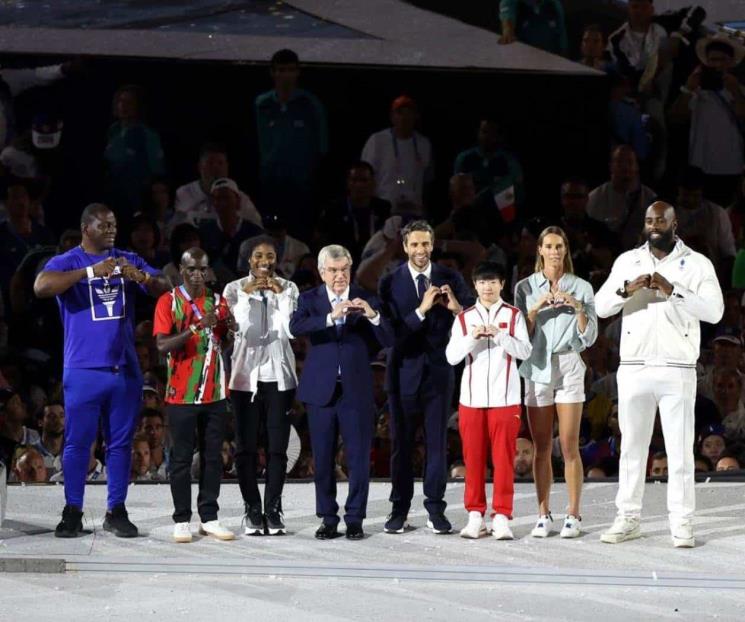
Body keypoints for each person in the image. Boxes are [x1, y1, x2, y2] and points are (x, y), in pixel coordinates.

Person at [34, 202, 168, 538]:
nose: (111, 230)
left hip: (124, 368)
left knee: (120, 444)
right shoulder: (69, 261)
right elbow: (41, 286)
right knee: (78, 443)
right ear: (86, 228)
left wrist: (142, 277)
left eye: (113, 225)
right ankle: (72, 511)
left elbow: (165, 287)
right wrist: (91, 273)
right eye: (104, 225)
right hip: (83, 369)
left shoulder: (128, 259)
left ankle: (116, 510)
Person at [595, 201, 724, 547]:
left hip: (676, 368)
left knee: (680, 451)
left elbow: (714, 311)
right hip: (634, 367)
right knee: (631, 449)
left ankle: (682, 523)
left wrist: (674, 291)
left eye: (661, 220)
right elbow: (600, 306)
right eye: (649, 220)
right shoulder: (628, 260)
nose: (654, 226)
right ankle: (628, 519)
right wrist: (626, 289)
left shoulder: (696, 263)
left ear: (674, 223)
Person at [289, 244, 391, 540]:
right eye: (333, 270)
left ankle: (355, 518)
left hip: (356, 392)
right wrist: (330, 317)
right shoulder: (310, 299)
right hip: (321, 392)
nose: (339, 276)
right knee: (322, 459)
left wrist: (372, 315)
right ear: (322, 272)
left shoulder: (367, 298)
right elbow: (295, 327)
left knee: (358, 458)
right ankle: (329, 518)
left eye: (344, 269)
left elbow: (388, 338)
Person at [379, 220, 474, 534]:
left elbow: (473, 321)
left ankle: (436, 510)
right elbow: (390, 335)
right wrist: (420, 311)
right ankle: (399, 510)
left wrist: (457, 308)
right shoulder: (390, 282)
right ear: (405, 246)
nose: (420, 250)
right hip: (402, 373)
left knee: (437, 444)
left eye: (425, 244)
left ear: (433, 245)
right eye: (414, 244)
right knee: (401, 446)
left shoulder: (450, 278)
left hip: (438, 374)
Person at [515, 226, 597, 539]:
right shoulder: (525, 287)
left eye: (559, 246)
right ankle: (542, 513)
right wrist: (535, 310)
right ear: (539, 249)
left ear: (565, 250)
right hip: (536, 366)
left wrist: (577, 308)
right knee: (541, 447)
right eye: (548, 246)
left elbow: (589, 337)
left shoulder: (581, 287)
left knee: (568, 444)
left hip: (569, 364)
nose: (554, 251)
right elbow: (520, 334)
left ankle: (573, 514)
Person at [153, 247, 235, 543]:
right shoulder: (169, 301)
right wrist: (194, 328)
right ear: (181, 270)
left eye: (203, 269)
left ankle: (209, 517)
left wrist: (229, 329)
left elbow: (222, 341)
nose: (198, 275)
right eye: (192, 270)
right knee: (181, 458)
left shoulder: (217, 301)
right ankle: (181, 519)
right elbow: (162, 346)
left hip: (214, 392)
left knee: (213, 457)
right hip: (181, 395)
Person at [445, 261, 532, 539]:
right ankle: (475, 515)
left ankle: (502, 515)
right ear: (475, 285)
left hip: (505, 398)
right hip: (471, 399)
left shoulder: (514, 315)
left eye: (493, 282)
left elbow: (525, 351)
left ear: (502, 284)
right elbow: (451, 356)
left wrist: (499, 334)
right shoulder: (464, 318)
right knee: (473, 458)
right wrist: (473, 337)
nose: (487, 287)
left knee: (504, 458)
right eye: (482, 282)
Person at [223, 236, 299, 536]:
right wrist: (246, 294)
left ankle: (274, 508)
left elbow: (289, 329)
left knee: (277, 447)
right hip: (245, 378)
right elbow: (239, 327)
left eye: (269, 255)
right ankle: (253, 508)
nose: (264, 261)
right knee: (246, 447)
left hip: (279, 378)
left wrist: (279, 294)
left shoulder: (289, 288)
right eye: (258, 256)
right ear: (248, 260)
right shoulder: (233, 289)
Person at [255, 49, 327, 237]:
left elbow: (322, 147)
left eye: (289, 70)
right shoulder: (261, 104)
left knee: (299, 234)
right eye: (280, 70)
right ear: (272, 72)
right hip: (270, 185)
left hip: (301, 187)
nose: (285, 75)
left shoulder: (310, 104)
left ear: (297, 72)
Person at [671, 32, 745, 207]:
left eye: (722, 60)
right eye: (713, 60)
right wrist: (688, 89)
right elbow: (676, 117)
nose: (717, 65)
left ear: (731, 62)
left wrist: (735, 92)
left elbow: (743, 116)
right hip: (699, 166)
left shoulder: (739, 89)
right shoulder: (696, 89)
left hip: (730, 167)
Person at [361, 96, 433, 215]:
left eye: (409, 113)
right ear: (392, 116)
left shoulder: (423, 144)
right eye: (400, 113)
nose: (404, 117)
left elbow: (427, 180)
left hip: (414, 211)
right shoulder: (377, 141)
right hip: (384, 211)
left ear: (416, 116)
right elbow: (366, 177)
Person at [103, 85, 165, 221]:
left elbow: (156, 170)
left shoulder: (148, 135)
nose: (124, 106)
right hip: (113, 193)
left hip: (137, 195)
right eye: (121, 101)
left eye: (129, 102)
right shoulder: (113, 131)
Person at [173, 142, 261, 230]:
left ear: (227, 167)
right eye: (210, 163)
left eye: (220, 163)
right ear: (200, 167)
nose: (216, 168)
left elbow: (258, 228)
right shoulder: (184, 193)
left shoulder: (240, 198)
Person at [316, 161, 391, 262]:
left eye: (364, 180)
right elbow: (323, 245)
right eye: (354, 180)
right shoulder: (333, 211)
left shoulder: (383, 209)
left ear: (373, 183)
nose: (359, 185)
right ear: (348, 183)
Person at [453, 119, 524, 224]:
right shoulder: (464, 158)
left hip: (499, 222)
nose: (488, 137)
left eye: (493, 133)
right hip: (468, 221)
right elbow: (456, 193)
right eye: (484, 132)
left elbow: (517, 195)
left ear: (499, 136)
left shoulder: (509, 162)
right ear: (478, 133)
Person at [586, 145, 656, 250]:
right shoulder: (594, 199)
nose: (625, 167)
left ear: (636, 166)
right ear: (611, 166)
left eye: (629, 162)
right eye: (619, 162)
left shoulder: (651, 199)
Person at [498, 0, 568, 56]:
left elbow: (561, 36)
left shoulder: (554, 4)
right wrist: (508, 31)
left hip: (551, 59)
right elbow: (507, 19)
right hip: (523, 58)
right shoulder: (510, 3)